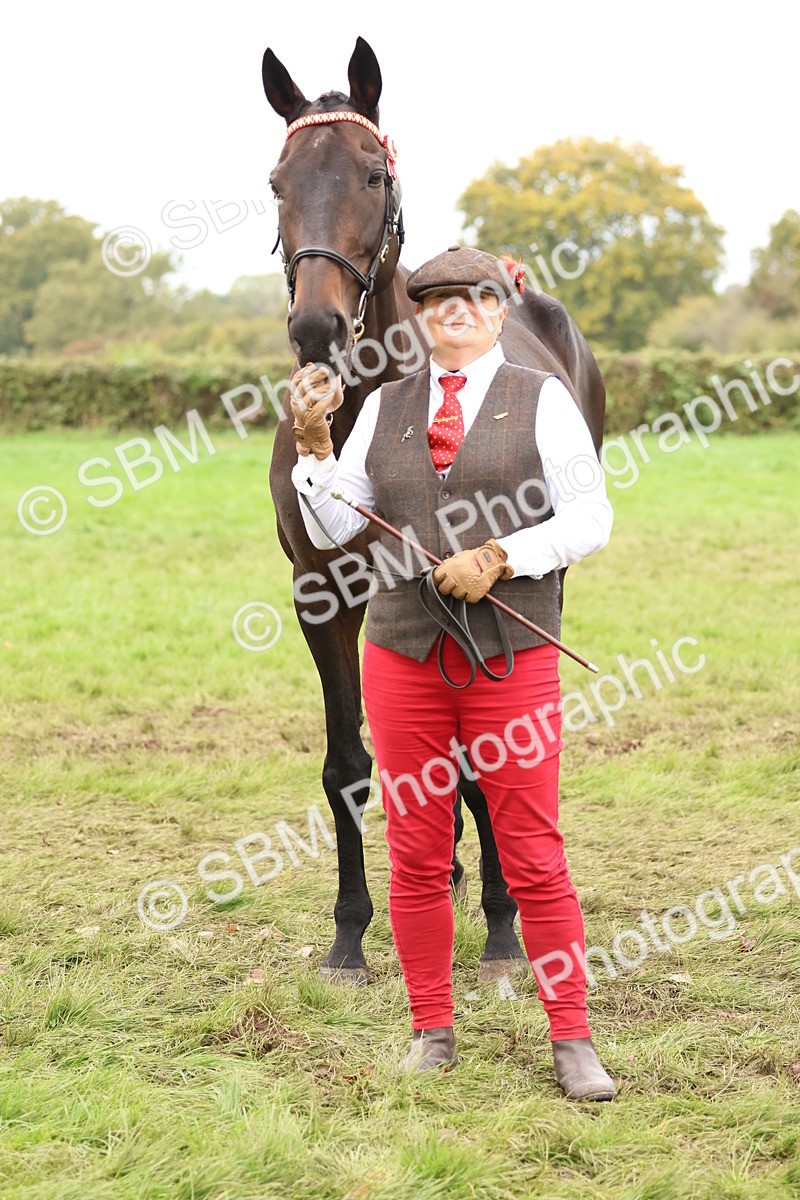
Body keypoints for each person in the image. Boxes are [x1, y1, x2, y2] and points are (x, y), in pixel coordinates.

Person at [288, 246, 616, 1101]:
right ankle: (431, 1027)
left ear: (501, 311)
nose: (455, 312)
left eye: (474, 299)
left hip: (513, 657)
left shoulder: (543, 399)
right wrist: (315, 452)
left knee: (536, 850)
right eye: (436, 302)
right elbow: (330, 530)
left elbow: (591, 514)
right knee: (418, 851)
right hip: (400, 659)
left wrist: (506, 553)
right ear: (423, 317)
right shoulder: (386, 405)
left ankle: (572, 1036)